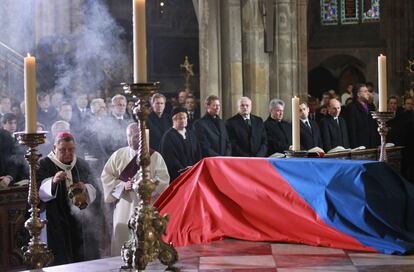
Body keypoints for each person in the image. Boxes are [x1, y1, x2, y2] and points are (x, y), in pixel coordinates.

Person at [101, 123, 169, 256]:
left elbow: (164, 180)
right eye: (129, 136)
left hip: (148, 207)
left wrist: (146, 186)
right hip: (124, 206)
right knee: (123, 240)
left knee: (147, 244)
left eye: (137, 136)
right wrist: (122, 186)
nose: (132, 139)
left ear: (144, 137)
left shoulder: (155, 157)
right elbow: (106, 177)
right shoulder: (118, 155)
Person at [38, 132, 101, 265]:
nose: (68, 153)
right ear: (54, 148)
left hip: (81, 220)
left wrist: (85, 188)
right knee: (61, 256)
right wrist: (53, 182)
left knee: (83, 256)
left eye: (71, 149)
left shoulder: (81, 163)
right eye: (62, 150)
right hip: (55, 218)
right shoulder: (43, 164)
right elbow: (37, 192)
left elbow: (96, 190)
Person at [160, 107, 201, 182]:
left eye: (185, 118)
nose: (183, 120)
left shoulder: (191, 134)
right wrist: (183, 170)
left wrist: (195, 167)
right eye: (180, 118)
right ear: (174, 120)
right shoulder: (168, 136)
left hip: (193, 173)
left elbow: (198, 153)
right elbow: (170, 158)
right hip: (178, 176)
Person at [345, 83, 379, 148]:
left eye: (368, 91)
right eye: (365, 91)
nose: (368, 93)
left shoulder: (370, 106)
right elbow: (352, 128)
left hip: (372, 143)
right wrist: (355, 147)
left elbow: (374, 125)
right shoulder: (352, 107)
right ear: (358, 94)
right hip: (360, 144)